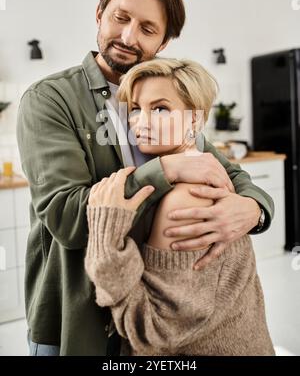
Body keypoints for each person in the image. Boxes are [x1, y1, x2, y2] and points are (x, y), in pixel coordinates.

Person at [17, 0, 274, 356]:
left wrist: (255, 209)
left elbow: (232, 174)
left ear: (165, 41)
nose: (128, 36)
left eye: (148, 29)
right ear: (100, 13)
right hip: (77, 322)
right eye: (121, 18)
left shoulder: (169, 94)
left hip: (146, 317)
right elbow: (66, 219)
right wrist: (167, 169)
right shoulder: (50, 99)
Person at [85, 58, 275, 356]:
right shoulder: (204, 169)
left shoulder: (185, 198)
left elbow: (154, 334)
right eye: (135, 108)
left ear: (195, 121)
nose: (141, 121)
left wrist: (106, 240)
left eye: (160, 108)